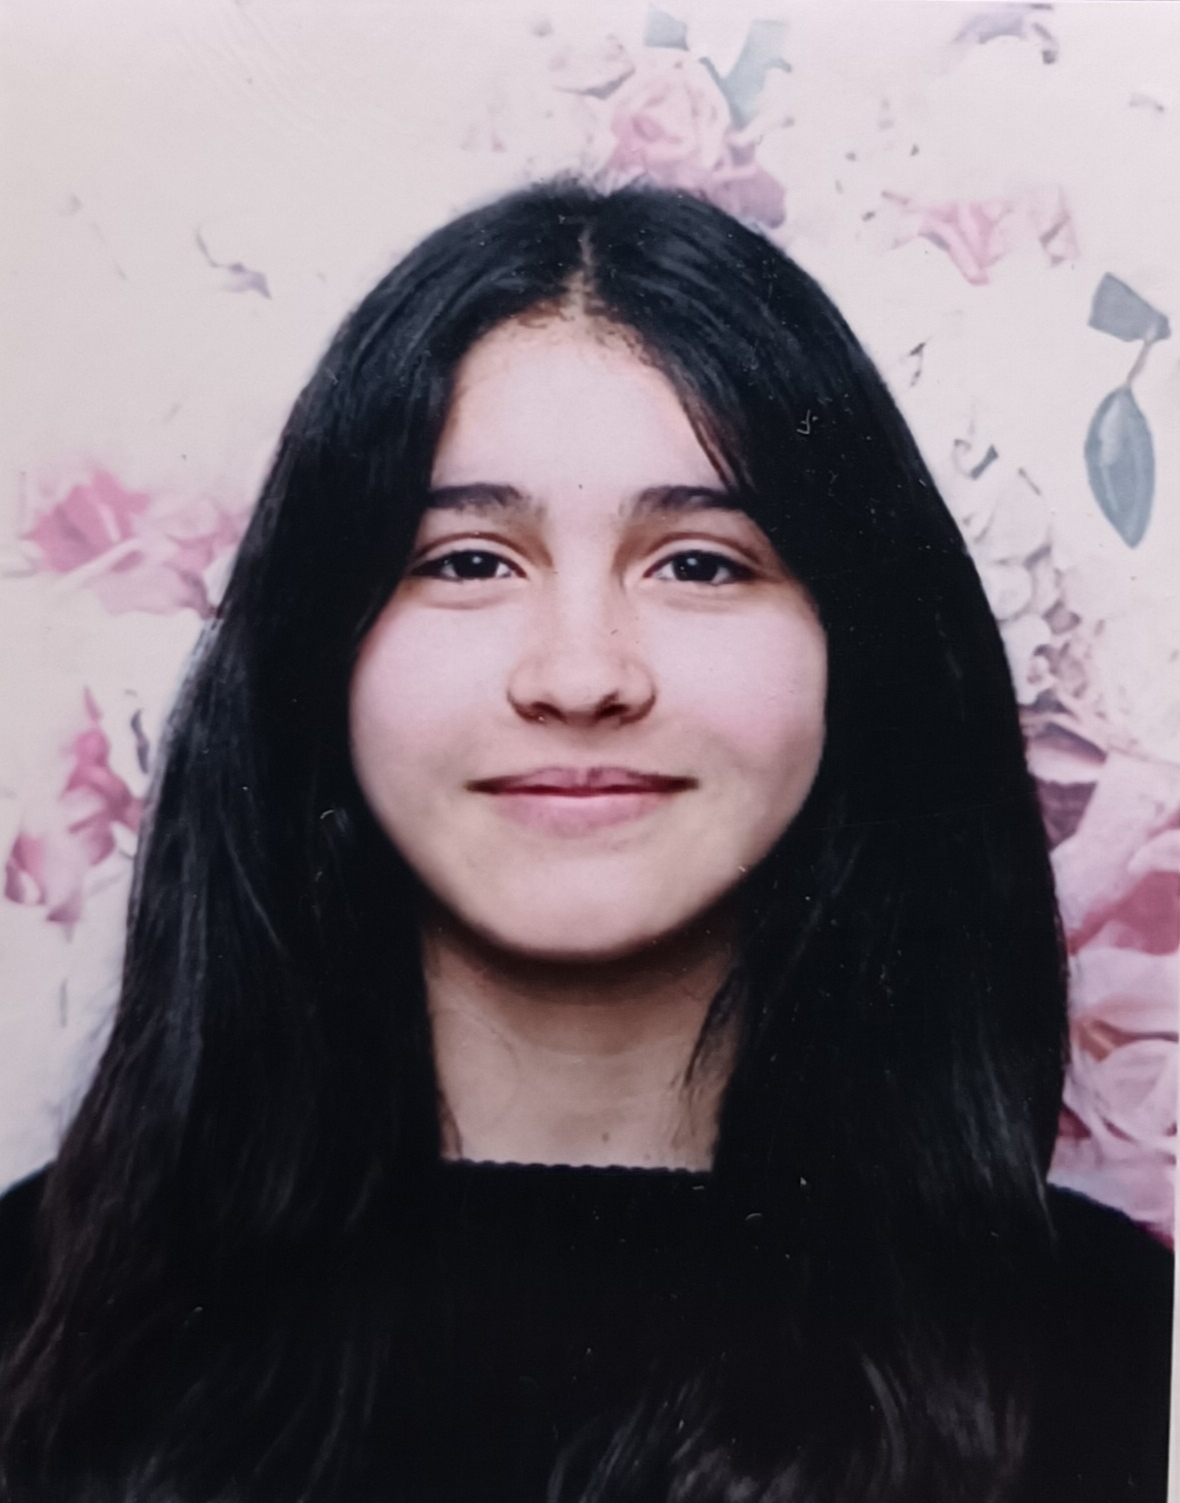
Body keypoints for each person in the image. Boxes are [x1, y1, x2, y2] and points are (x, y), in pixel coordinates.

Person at [0, 182, 1171, 1503]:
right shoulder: (34, 1319)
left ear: (861, 653)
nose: (580, 675)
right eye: (468, 561)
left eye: (701, 563)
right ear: (317, 650)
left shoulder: (1126, 1356)